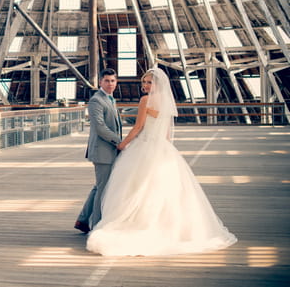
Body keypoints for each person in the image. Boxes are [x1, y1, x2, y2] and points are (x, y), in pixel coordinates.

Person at [86, 66, 237, 256]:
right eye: (144, 82)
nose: (145, 85)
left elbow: (138, 127)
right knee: (159, 188)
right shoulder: (166, 102)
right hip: (161, 148)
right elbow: (166, 133)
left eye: (149, 82)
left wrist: (122, 144)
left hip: (143, 146)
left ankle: (125, 222)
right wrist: (164, 149)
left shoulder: (145, 101)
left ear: (157, 83)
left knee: (133, 186)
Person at [74, 68, 122, 234]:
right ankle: (96, 227)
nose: (110, 84)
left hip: (109, 150)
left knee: (98, 187)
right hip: (103, 152)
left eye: (113, 81)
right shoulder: (96, 101)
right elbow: (100, 128)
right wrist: (120, 142)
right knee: (103, 190)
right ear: (100, 82)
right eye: (107, 81)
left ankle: (82, 220)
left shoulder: (110, 99)